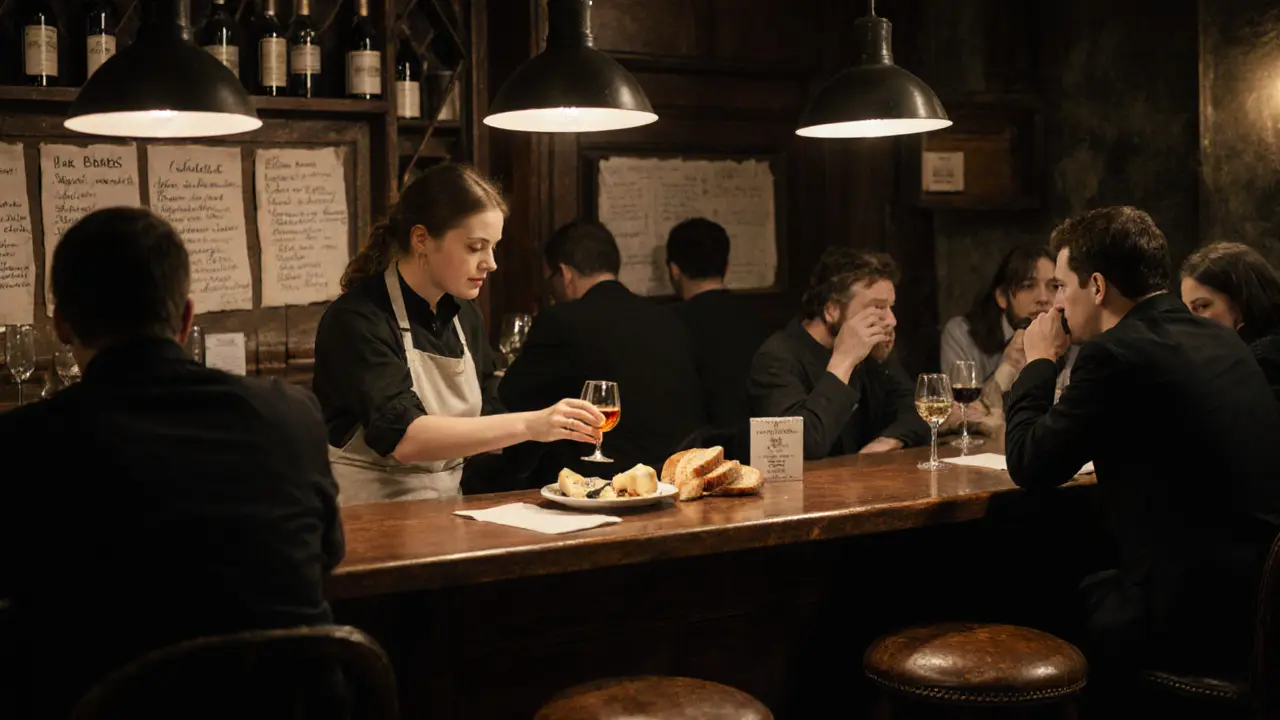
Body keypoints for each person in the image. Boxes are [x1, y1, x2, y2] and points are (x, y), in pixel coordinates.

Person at [0, 207, 345, 719]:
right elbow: (328, 554)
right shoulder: (289, 413)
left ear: (61, 326)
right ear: (186, 319)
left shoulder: (24, 443)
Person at [1005, 206, 1280, 696]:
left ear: (1096, 286)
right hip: (1257, 605)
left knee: (1021, 601)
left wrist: (1039, 361)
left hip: (1189, 621)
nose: (1057, 306)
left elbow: (1029, 463)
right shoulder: (1220, 340)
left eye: (1061, 288)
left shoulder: (1115, 354)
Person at [313, 164, 603, 505]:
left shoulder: (465, 315)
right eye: (475, 247)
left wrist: (555, 428)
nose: (490, 263)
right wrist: (531, 424)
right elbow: (407, 439)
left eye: (493, 246)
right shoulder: (358, 319)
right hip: (366, 519)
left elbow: (488, 419)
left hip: (446, 513)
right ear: (421, 239)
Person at [499, 220, 706, 481]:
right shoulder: (669, 319)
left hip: (594, 482)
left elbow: (512, 394)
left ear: (564, 274)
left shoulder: (560, 320)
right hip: (668, 477)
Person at [748, 247, 929, 460]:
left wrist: (889, 440)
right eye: (878, 307)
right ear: (832, 310)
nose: (891, 320)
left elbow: (917, 409)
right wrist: (843, 361)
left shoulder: (870, 349)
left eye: (890, 307)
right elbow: (798, 448)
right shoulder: (777, 358)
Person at [666, 217, 767, 430]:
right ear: (727, 266)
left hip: (695, 447)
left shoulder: (669, 323)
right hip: (753, 440)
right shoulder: (755, 317)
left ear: (675, 270)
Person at [1179, 241, 1280, 404]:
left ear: (1241, 302)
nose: (1190, 321)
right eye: (1187, 310)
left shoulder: (1259, 363)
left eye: (1202, 306)